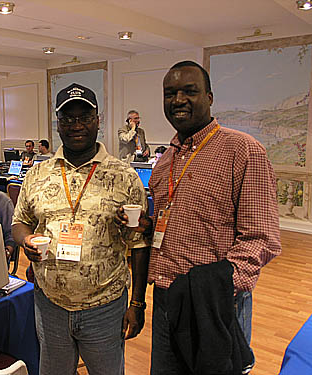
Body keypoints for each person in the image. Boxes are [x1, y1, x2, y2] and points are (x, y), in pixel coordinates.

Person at [117, 61, 282, 374]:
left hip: (215, 303)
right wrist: (148, 228)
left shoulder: (243, 151)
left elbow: (262, 237)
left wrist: (216, 288)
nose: (178, 99)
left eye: (189, 91)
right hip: (166, 299)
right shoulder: (166, 160)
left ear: (209, 97)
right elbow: (174, 220)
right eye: (170, 93)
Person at [12, 83, 150, 375]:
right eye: (68, 119)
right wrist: (25, 240)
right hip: (49, 304)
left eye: (84, 117)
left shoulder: (124, 176)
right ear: (58, 124)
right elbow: (19, 222)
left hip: (105, 305)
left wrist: (137, 303)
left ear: (97, 121)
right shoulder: (37, 173)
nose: (76, 125)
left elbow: (138, 244)